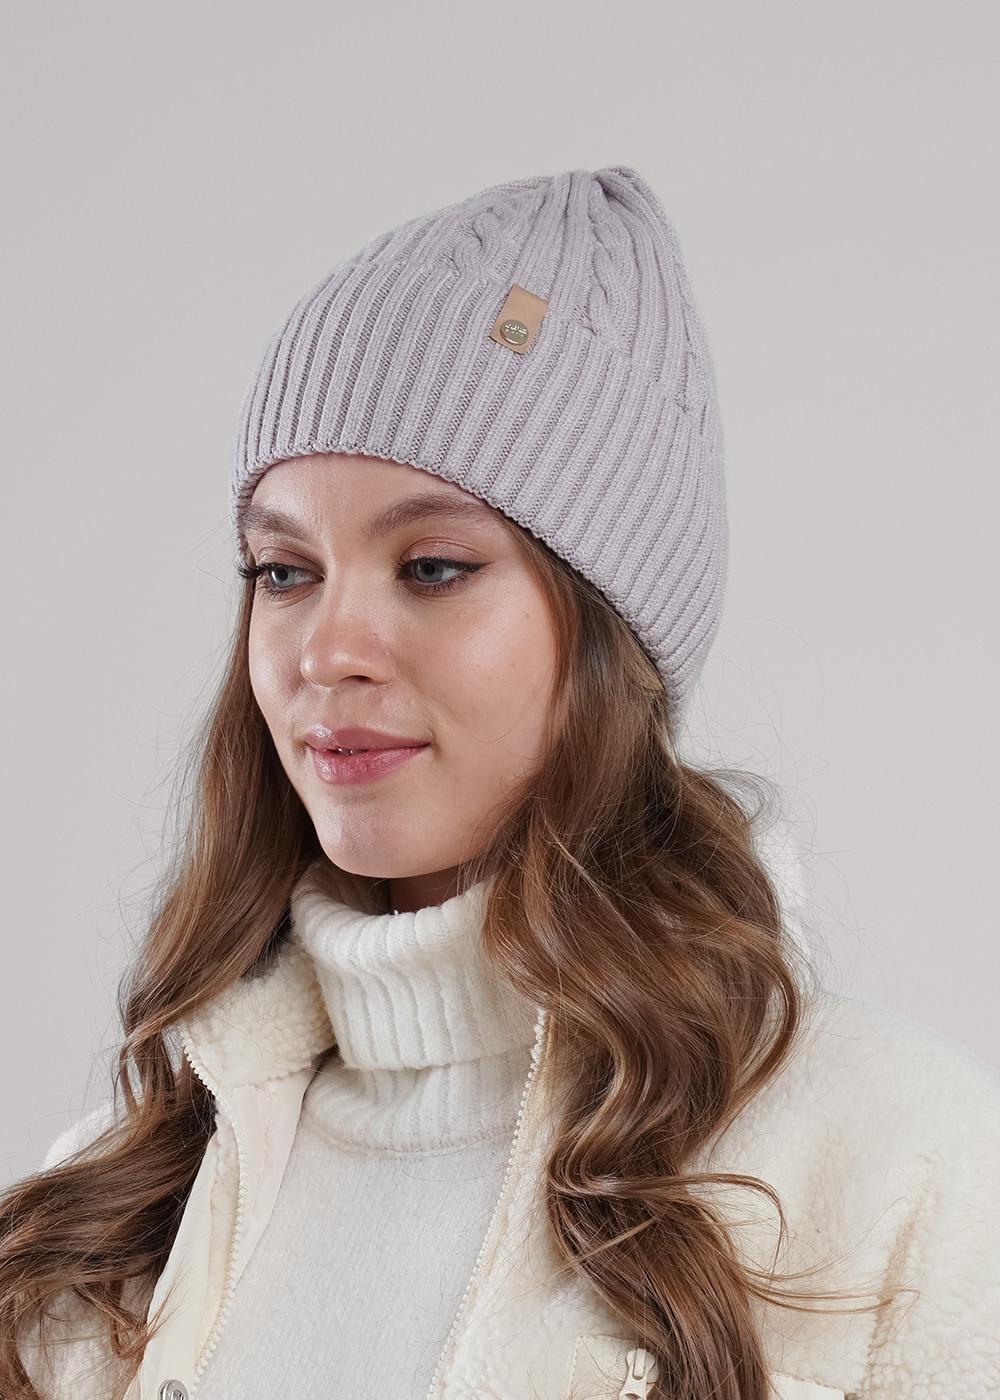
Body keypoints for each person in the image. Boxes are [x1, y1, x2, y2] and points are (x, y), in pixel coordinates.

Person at [4, 165, 999, 1400]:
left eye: (430, 566)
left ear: (608, 633)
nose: (325, 649)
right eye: (282, 570)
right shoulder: (113, 1219)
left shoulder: (895, 1166)